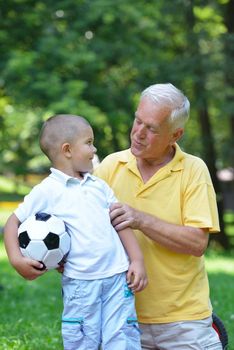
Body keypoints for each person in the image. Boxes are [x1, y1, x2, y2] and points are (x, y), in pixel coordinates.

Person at [94, 83, 223, 349]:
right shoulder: (110, 166)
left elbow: (197, 243)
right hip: (121, 315)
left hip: (183, 319)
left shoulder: (193, 170)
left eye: (151, 128)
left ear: (175, 134)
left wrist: (140, 219)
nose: (138, 133)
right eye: (137, 121)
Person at [4, 114, 148, 350]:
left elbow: (120, 223)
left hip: (117, 278)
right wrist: (16, 259)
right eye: (89, 142)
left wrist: (137, 260)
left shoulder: (99, 186)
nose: (94, 148)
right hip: (81, 284)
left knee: (122, 339)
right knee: (82, 341)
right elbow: (13, 222)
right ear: (67, 150)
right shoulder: (48, 190)